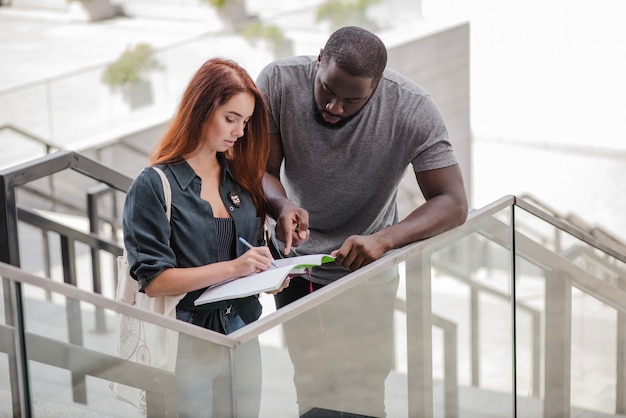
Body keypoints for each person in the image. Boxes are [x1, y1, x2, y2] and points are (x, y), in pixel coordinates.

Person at [257, 26, 468, 417]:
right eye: (327, 91)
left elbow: (454, 202)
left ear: (378, 86)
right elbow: (261, 170)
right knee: (312, 385)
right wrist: (281, 205)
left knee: (367, 389)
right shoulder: (279, 80)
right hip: (296, 267)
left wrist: (385, 240)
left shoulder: (411, 108)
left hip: (369, 270)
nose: (334, 107)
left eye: (351, 99)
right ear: (319, 59)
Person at [123, 57, 284, 417]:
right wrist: (234, 269)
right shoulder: (154, 185)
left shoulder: (239, 176)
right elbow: (154, 280)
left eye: (245, 122)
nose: (240, 132)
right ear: (200, 108)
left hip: (242, 328)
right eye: (231, 118)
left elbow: (248, 250)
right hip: (186, 338)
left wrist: (268, 270)